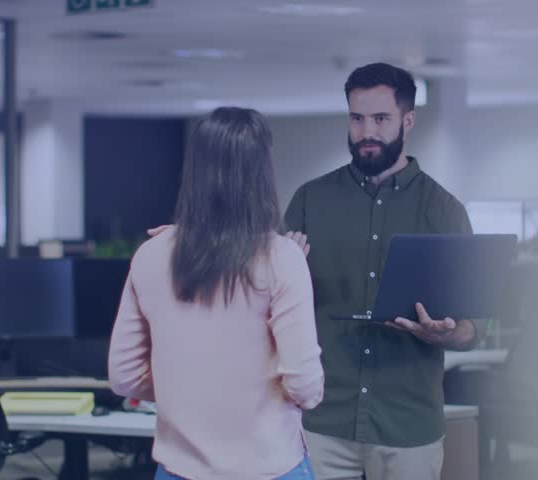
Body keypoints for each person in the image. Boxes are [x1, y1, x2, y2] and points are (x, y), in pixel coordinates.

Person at [283, 62, 482, 480]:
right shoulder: (309, 201)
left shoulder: (444, 211)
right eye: (357, 118)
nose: (366, 131)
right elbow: (269, 305)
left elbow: (472, 328)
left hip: (407, 426)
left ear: (407, 120)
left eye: (380, 119)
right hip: (321, 421)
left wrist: (444, 332)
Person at [108, 107, 323, 480]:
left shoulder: (151, 254)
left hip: (179, 471)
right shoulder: (281, 258)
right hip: (268, 469)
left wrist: (189, 389)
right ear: (261, 172)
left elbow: (124, 377)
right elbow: (306, 387)